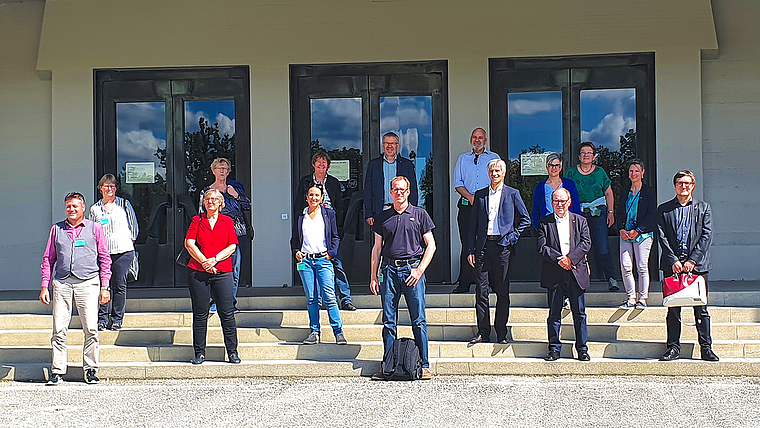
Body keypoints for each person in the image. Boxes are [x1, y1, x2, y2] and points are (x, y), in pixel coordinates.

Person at [40, 192, 112, 385]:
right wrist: (44, 285)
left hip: (88, 282)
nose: (71, 210)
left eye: (75, 206)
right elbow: (48, 259)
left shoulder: (95, 229)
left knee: (90, 328)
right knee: (59, 328)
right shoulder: (56, 229)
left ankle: (90, 369)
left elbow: (105, 258)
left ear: (83, 208)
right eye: (68, 206)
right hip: (62, 283)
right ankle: (57, 370)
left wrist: (105, 286)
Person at [370, 176, 436, 380]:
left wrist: (419, 271)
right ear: (390, 192)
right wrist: (373, 276)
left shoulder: (420, 214)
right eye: (395, 189)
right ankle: (388, 366)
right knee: (389, 322)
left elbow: (431, 246)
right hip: (389, 272)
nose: (399, 193)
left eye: (403, 189)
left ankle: (424, 365)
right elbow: (377, 248)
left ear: (408, 192)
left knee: (419, 320)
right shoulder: (382, 217)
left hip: (412, 271)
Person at [657, 170, 719, 362]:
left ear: (693, 185)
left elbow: (706, 235)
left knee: (701, 309)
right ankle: (673, 348)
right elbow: (661, 236)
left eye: (687, 183)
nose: (683, 186)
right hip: (672, 266)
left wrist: (692, 260)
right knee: (673, 310)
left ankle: (706, 348)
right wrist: (673, 260)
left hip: (697, 266)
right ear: (674, 185)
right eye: (679, 183)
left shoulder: (704, 208)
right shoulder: (664, 209)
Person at [467, 159, 530, 344]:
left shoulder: (512, 194)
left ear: (503, 173)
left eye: (498, 171)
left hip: (503, 248)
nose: (494, 174)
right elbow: (473, 226)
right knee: (481, 291)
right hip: (483, 248)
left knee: (502, 291)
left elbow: (526, 219)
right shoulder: (480, 195)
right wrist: (470, 249)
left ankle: (501, 332)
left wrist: (512, 237)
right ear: (489, 173)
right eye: (492, 171)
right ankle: (483, 332)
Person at [185, 188, 240, 365]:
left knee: (227, 313)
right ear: (204, 202)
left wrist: (214, 260)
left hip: (222, 271)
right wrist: (204, 262)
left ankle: (232, 352)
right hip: (199, 271)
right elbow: (189, 243)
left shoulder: (227, 221)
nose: (211, 201)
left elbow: (232, 246)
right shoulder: (197, 220)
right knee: (200, 313)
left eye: (214, 199)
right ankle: (199, 353)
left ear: (220, 203)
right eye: (208, 199)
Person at [294, 151, 355, 311]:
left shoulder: (334, 182)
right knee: (313, 267)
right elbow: (298, 205)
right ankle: (318, 300)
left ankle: (345, 299)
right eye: (318, 162)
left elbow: (340, 206)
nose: (321, 165)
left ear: (328, 165)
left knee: (338, 265)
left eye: (324, 162)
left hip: (329, 226)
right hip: (311, 224)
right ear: (313, 164)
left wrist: (338, 226)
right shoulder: (305, 181)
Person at [537, 188, 592, 362]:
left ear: (569, 202)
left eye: (562, 201)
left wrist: (570, 259)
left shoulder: (580, 221)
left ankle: (582, 349)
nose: (559, 205)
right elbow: (542, 247)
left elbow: (586, 243)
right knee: (554, 313)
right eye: (556, 201)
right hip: (554, 272)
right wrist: (560, 259)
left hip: (576, 272)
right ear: (551, 203)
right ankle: (554, 348)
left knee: (579, 313)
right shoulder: (544, 223)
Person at [291, 184, 347, 345]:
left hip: (323, 260)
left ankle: (338, 332)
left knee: (329, 297)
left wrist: (332, 253)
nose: (313, 198)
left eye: (317, 195)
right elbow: (295, 238)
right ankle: (314, 332)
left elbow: (336, 236)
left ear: (322, 197)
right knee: (312, 298)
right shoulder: (301, 216)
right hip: (306, 262)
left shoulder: (329, 214)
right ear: (306, 197)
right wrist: (296, 251)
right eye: (311, 195)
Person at [565, 142, 619, 291]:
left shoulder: (600, 172)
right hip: (577, 213)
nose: (586, 155)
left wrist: (610, 212)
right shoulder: (571, 173)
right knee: (577, 247)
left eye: (589, 153)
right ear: (579, 156)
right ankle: (577, 281)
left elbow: (608, 193)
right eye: (583, 152)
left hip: (598, 213)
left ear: (594, 156)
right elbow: (565, 192)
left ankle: (611, 278)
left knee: (602, 247)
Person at [452, 128, 501, 293]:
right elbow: (457, 183)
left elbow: (499, 182)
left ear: (485, 141)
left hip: (488, 207)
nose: (477, 140)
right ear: (471, 139)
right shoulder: (463, 159)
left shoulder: (494, 158)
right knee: (467, 244)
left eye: (481, 138)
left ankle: (492, 283)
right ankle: (464, 283)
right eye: (475, 137)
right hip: (467, 206)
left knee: (489, 244)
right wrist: (472, 198)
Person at [89, 174, 139, 331]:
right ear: (100, 188)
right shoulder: (95, 209)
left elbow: (134, 227)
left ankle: (117, 319)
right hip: (103, 254)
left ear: (116, 188)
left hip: (123, 251)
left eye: (112, 186)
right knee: (103, 286)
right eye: (106, 186)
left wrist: (128, 242)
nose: (109, 189)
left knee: (119, 285)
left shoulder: (124, 204)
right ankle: (102, 319)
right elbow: (92, 232)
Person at [203, 157, 251, 312]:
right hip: (215, 234)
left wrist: (236, 195)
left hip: (237, 234)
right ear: (213, 171)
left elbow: (247, 205)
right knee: (216, 268)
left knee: (234, 270)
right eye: (219, 168)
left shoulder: (235, 188)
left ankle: (230, 304)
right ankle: (215, 302)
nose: (222, 171)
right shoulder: (207, 191)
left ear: (229, 171)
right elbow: (202, 213)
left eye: (225, 168)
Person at [616, 159, 656, 309]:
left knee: (641, 266)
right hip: (625, 234)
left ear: (643, 173)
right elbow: (620, 212)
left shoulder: (649, 191)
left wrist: (637, 230)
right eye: (631, 171)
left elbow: (651, 214)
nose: (634, 174)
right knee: (626, 266)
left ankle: (643, 298)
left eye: (637, 171)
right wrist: (620, 229)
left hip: (643, 235)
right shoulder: (625, 191)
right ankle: (631, 297)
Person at [364, 132, 418, 226]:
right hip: (380, 211)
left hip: (402, 210)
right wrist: (368, 213)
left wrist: (411, 212)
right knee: (381, 240)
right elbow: (368, 190)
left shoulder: (407, 165)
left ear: (397, 146)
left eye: (392, 143)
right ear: (383, 145)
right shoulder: (373, 165)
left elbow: (413, 190)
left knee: (401, 239)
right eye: (387, 143)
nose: (389, 146)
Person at [530, 153, 581, 230]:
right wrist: (538, 228)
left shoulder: (569, 184)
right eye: (551, 165)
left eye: (556, 165)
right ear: (547, 167)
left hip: (568, 225)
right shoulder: (540, 187)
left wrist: (577, 226)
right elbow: (535, 210)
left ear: (560, 168)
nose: (554, 168)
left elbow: (576, 206)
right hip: (547, 226)